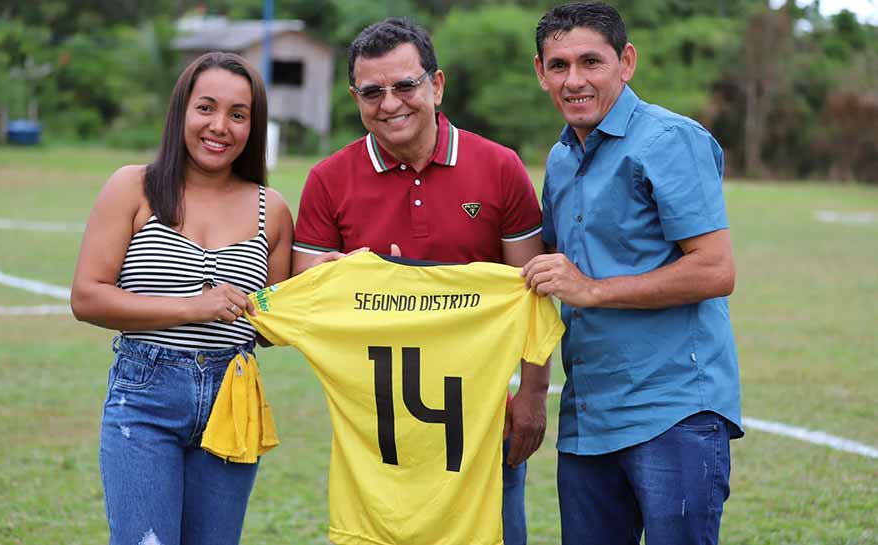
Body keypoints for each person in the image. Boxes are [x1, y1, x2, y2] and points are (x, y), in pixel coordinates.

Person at [291, 18, 549, 545]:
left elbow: (532, 292)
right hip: (377, 427)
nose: (390, 104)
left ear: (436, 84)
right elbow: (307, 292)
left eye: (405, 85)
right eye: (372, 91)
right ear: (354, 97)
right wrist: (362, 273)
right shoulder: (328, 179)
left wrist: (534, 394)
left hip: (480, 420)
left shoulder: (499, 167)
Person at [523, 3, 744, 545]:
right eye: (558, 66)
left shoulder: (669, 140)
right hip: (588, 417)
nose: (574, 80)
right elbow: (542, 264)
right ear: (540, 72)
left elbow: (715, 270)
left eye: (591, 62)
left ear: (626, 61)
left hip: (673, 412)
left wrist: (590, 290)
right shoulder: (558, 158)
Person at [70, 52, 294, 545]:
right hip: (145, 396)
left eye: (238, 115)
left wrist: (334, 276)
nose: (220, 126)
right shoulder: (134, 186)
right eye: (206, 108)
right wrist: (195, 306)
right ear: (182, 112)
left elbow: (273, 325)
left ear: (252, 127)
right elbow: (87, 297)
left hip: (233, 398)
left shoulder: (271, 210)